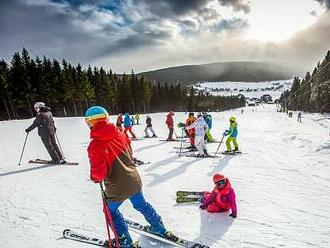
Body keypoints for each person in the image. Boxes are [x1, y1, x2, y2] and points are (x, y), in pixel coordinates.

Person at [85, 106, 175, 247]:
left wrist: (95, 178)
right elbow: (130, 153)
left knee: (110, 211)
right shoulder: (121, 133)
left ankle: (125, 241)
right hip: (133, 179)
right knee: (141, 204)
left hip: (116, 187)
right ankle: (159, 227)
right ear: (106, 117)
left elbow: (99, 174)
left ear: (90, 123)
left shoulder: (95, 145)